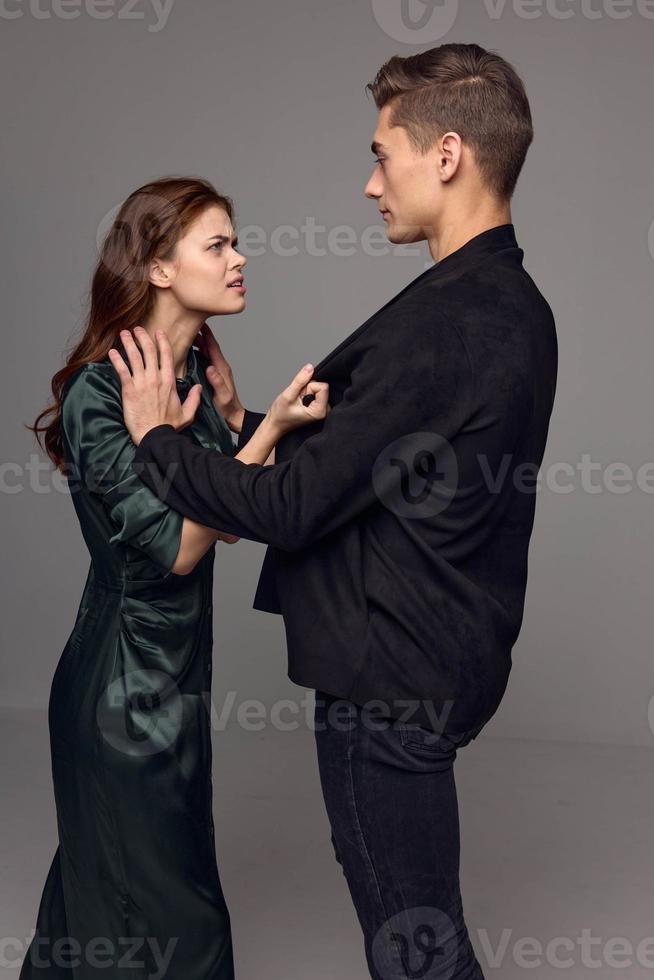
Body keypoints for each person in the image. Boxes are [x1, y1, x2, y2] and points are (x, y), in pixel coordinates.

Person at [117, 44, 558, 980]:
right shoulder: (512, 303)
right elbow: (402, 469)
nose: (369, 184)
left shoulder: (448, 322)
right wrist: (245, 423)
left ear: (445, 156)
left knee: (418, 951)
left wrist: (160, 441)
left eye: (382, 154)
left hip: (390, 690)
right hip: (438, 667)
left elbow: (294, 508)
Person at [23, 176, 329, 979]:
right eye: (218, 244)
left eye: (236, 241)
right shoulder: (104, 389)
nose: (240, 258)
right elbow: (183, 548)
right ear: (159, 267)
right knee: (164, 923)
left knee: (106, 903)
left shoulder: (191, 373)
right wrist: (251, 435)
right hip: (122, 693)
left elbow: (229, 517)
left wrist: (240, 425)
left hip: (177, 680)